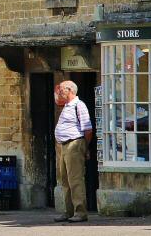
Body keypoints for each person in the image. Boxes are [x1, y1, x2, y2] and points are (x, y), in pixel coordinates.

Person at [53, 80, 92, 223]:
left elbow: (88, 129)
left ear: (70, 90)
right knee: (64, 180)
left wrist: (84, 147)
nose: (60, 92)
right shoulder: (67, 106)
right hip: (64, 146)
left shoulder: (79, 105)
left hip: (74, 144)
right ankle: (69, 211)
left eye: (62, 89)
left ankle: (80, 212)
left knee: (75, 179)